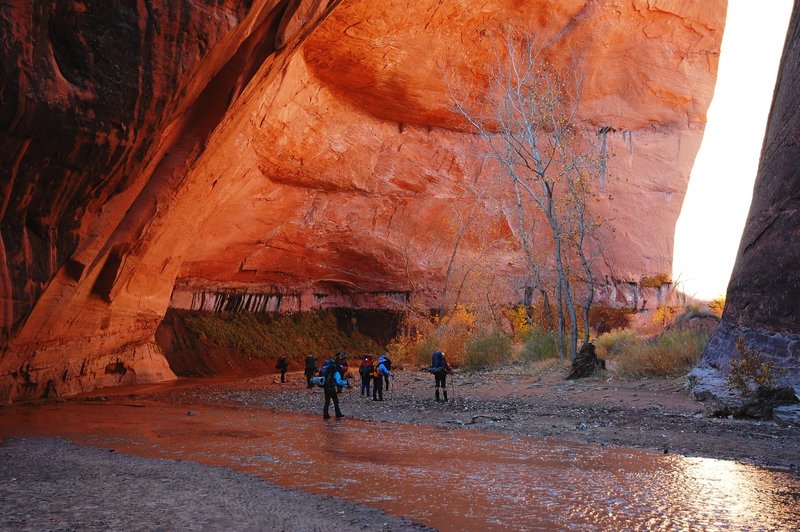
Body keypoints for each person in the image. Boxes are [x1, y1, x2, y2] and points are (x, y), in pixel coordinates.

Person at [319, 354, 349, 419]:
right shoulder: (336, 370)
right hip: (331, 387)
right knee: (335, 401)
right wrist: (346, 383)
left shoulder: (329, 368)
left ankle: (325, 414)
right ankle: (338, 414)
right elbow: (338, 381)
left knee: (327, 401)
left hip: (325, 386)